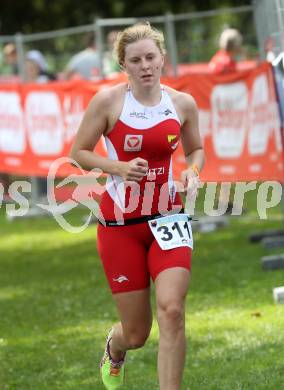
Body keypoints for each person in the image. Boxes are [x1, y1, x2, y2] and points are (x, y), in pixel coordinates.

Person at [70, 22, 204, 390]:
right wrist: (118, 168)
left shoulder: (182, 104)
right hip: (120, 228)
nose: (145, 65)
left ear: (162, 58)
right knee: (137, 333)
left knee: (173, 311)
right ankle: (114, 348)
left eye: (150, 57)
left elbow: (196, 150)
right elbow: (77, 153)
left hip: (168, 218)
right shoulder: (108, 102)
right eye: (135, 60)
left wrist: (192, 171)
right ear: (124, 66)